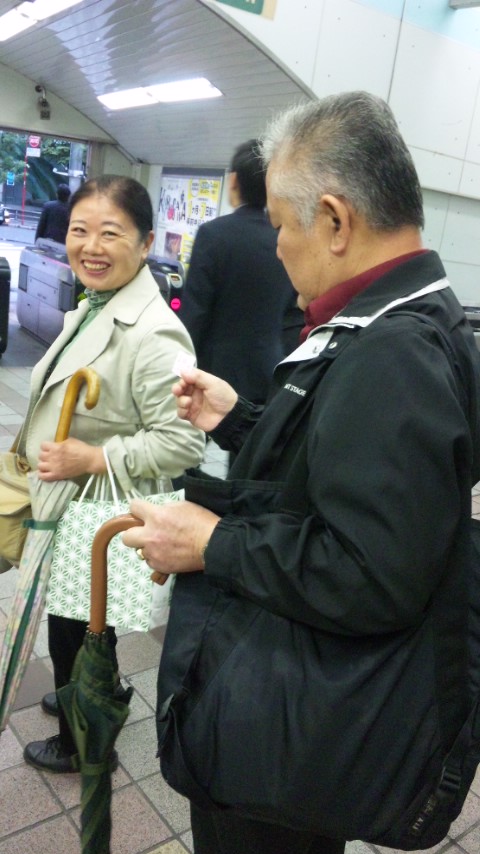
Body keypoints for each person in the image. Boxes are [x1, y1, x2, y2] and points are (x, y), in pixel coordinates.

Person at [123, 93, 480, 854]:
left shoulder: (395, 354)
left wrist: (212, 543)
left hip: (296, 734)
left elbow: (371, 573)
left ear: (336, 221)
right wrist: (239, 420)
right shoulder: (395, 322)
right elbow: (337, 469)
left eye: (283, 226)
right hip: (302, 707)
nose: (278, 247)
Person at [22, 174, 205, 774]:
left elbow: (184, 441)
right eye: (80, 231)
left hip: (103, 507)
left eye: (111, 233)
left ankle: (80, 744)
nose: (91, 247)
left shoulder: (155, 331)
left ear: (146, 242)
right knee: (82, 623)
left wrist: (93, 457)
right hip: (78, 500)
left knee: (74, 628)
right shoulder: (97, 302)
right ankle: (97, 692)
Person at [178, 138, 302, 405]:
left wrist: (179, 369)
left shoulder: (213, 235)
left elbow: (195, 313)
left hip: (215, 374)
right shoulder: (285, 238)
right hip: (270, 372)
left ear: (233, 180)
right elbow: (294, 313)